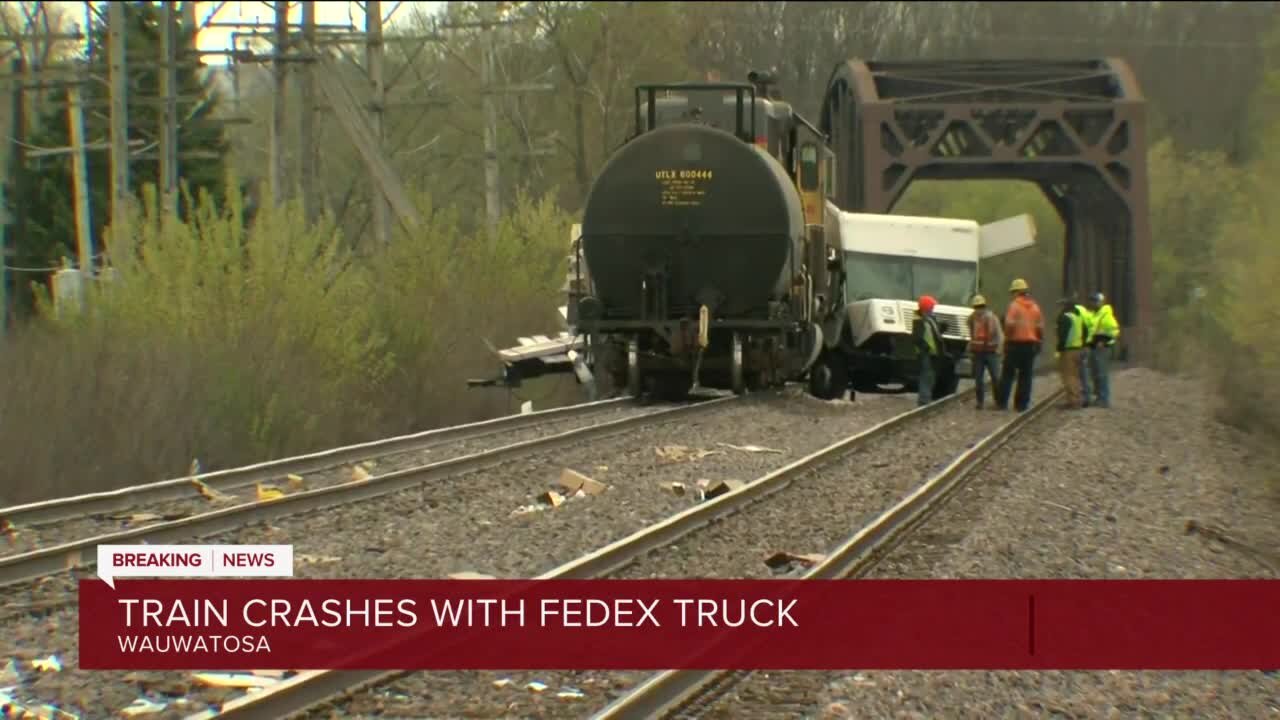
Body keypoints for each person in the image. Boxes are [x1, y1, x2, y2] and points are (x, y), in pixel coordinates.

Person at [995, 278, 1044, 412]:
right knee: (1026, 376)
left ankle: (1002, 403)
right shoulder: (1035, 307)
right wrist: (1039, 341)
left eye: (1013, 292)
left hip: (1014, 344)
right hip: (1030, 345)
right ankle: (1021, 405)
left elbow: (1009, 324)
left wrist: (1007, 337)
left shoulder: (1014, 305)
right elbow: (1040, 327)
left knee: (1008, 374)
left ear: (1016, 292)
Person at [966, 294, 1003, 409]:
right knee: (978, 379)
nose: (978, 309)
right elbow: (971, 335)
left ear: (984, 306)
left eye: (980, 306)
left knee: (995, 378)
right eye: (977, 307)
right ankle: (980, 402)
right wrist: (970, 349)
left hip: (992, 352)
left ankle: (998, 401)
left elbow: (999, 335)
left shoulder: (992, 318)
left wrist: (999, 349)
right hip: (978, 353)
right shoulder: (971, 319)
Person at [1086, 291, 1120, 408]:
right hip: (1094, 347)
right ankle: (1099, 398)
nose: (1093, 303)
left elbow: (1114, 330)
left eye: (1095, 301)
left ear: (1100, 302)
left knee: (1102, 374)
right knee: (1096, 373)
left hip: (1102, 349)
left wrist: (1104, 342)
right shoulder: (1094, 315)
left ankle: (1104, 399)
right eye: (1092, 300)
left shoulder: (1105, 314)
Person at [912, 294, 945, 407]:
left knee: (930, 377)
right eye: (932, 307)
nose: (933, 309)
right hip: (924, 354)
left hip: (932, 354)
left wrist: (943, 328)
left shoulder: (929, 320)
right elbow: (917, 338)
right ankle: (924, 402)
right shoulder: (919, 321)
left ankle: (926, 400)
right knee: (926, 377)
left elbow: (933, 334)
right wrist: (926, 348)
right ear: (927, 308)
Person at [1056, 295, 1086, 409]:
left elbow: (1062, 335)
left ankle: (1073, 402)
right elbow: (1085, 332)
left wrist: (1059, 349)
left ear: (1066, 306)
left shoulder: (1065, 318)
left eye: (1062, 305)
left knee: (1068, 376)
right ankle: (1077, 399)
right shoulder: (1077, 318)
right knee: (1075, 375)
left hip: (1068, 351)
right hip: (1078, 349)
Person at [1075, 299, 1095, 407]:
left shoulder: (1078, 314)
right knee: (1084, 372)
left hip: (1081, 346)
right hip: (1087, 346)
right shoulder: (1086, 314)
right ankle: (1086, 396)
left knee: (1081, 372)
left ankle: (1084, 398)